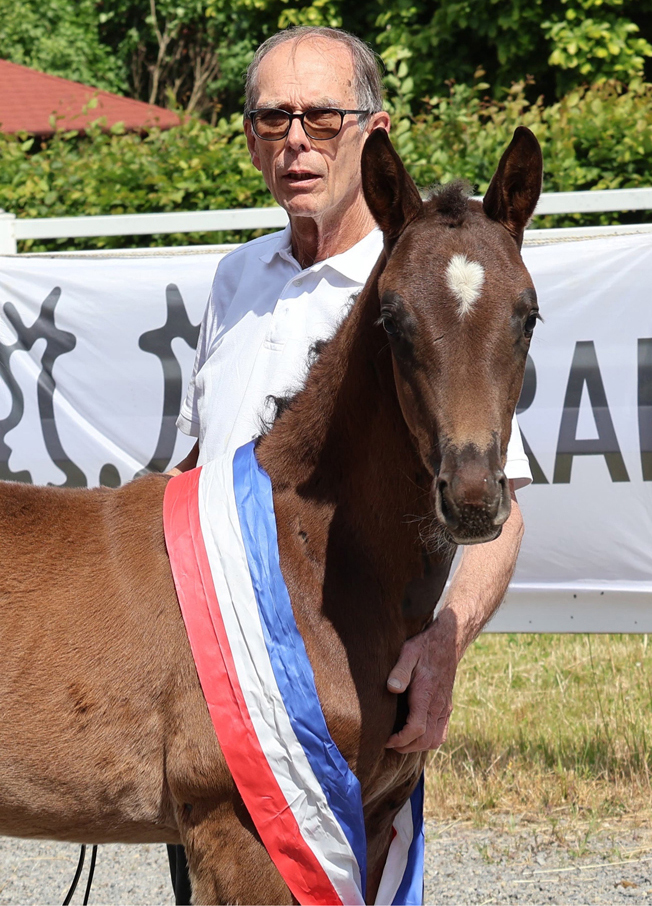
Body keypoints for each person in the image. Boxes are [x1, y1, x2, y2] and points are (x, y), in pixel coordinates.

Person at [167, 24, 532, 902]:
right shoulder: (234, 279)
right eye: (270, 118)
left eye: (322, 118)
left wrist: (445, 643)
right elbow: (196, 469)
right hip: (213, 700)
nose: (294, 141)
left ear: (375, 134)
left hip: (338, 703)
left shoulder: (436, 283)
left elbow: (503, 503)